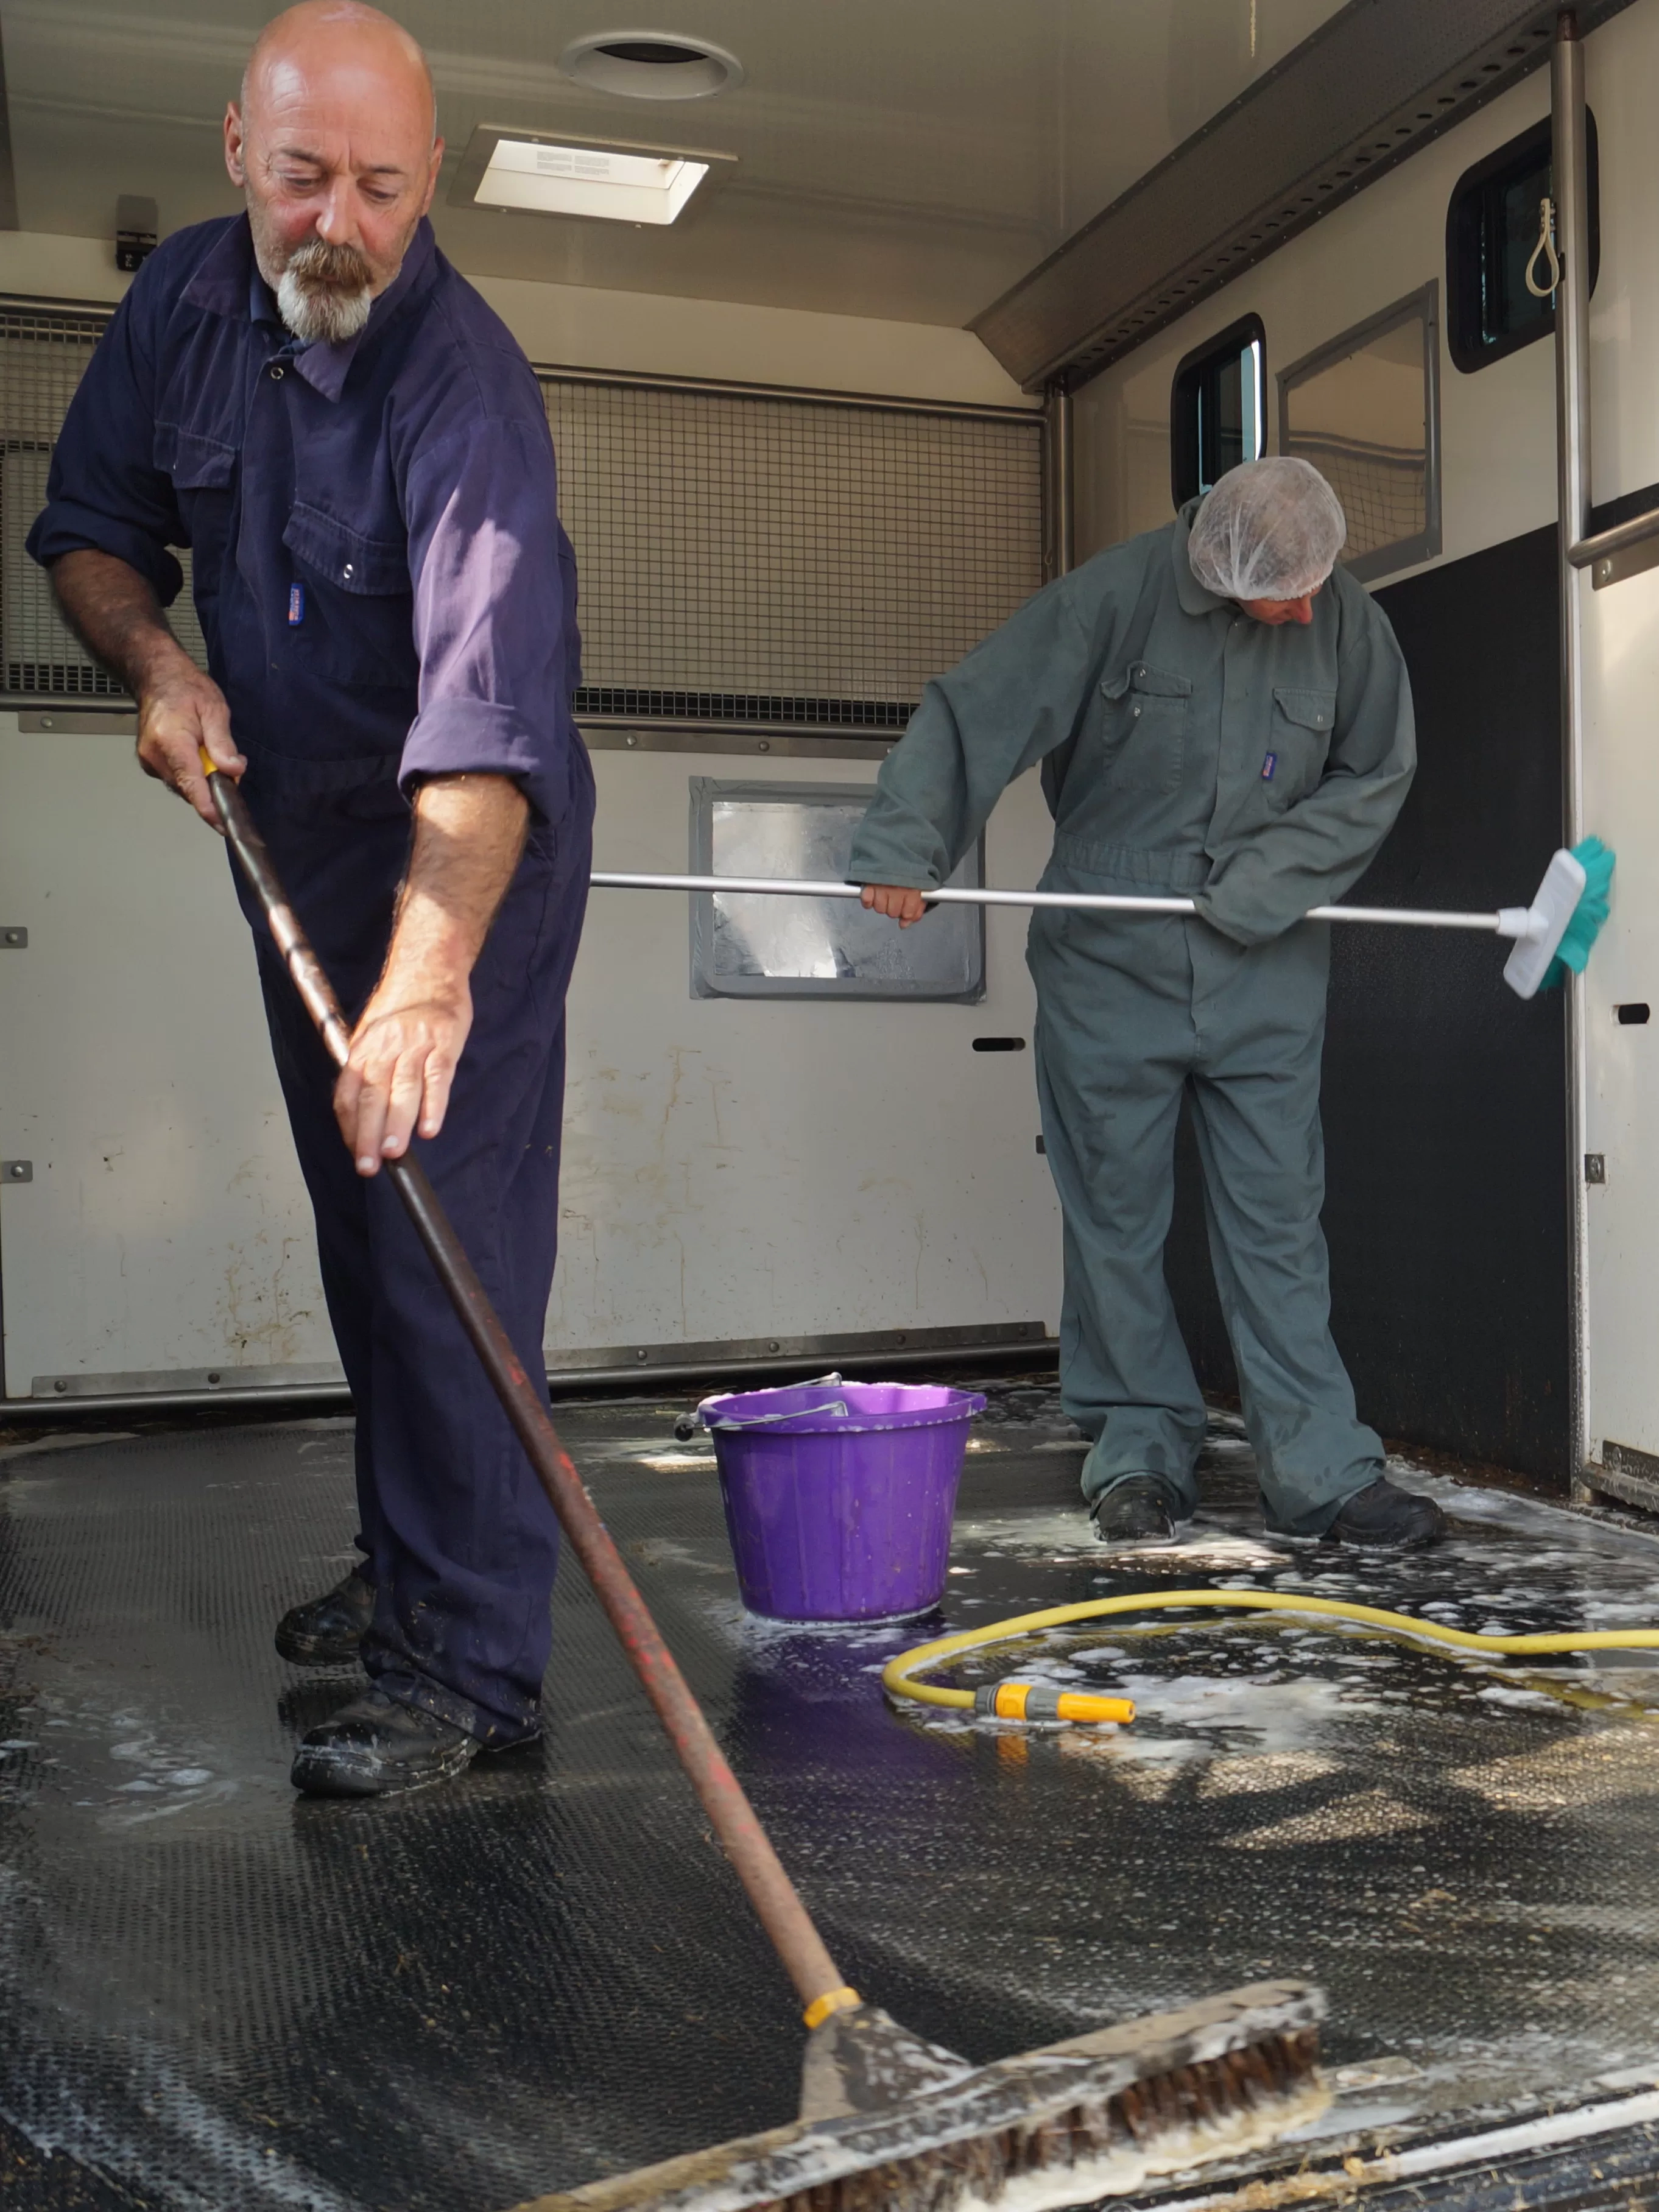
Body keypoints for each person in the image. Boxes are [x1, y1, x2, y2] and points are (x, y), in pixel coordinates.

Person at [29, 1, 594, 1794]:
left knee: (446, 1247)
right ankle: (407, 1565)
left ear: (431, 184)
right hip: (296, 839)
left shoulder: (462, 390)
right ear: (235, 158)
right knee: (366, 1234)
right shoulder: (185, 305)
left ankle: (471, 1677)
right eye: (299, 179)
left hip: (458, 863)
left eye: (375, 186)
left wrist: (429, 988)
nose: (334, 222)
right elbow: (92, 529)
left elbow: (484, 746)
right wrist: (155, 667)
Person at [850, 457, 1444, 1551]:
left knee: (1279, 1219)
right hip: (1110, 946)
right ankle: (1137, 1449)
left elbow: (1377, 772)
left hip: (1262, 954)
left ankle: (1320, 1469)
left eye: (1321, 582)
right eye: (1288, 591)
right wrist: (904, 842)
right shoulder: (1112, 597)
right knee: (1115, 1218)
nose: (1310, 607)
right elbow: (979, 709)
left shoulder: (1344, 619)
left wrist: (1264, 884)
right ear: (1223, 568)